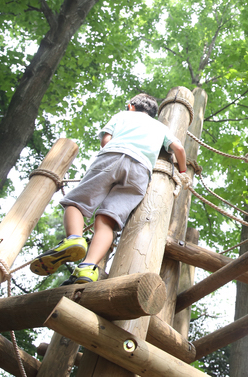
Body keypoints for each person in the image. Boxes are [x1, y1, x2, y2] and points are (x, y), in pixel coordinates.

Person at [30, 93, 187, 285]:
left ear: (131, 106)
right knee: (107, 220)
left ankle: (74, 239)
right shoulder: (160, 127)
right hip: (140, 172)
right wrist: (182, 170)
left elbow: (106, 140)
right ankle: (88, 268)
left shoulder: (123, 115)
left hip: (113, 157)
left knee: (76, 203)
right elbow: (178, 148)